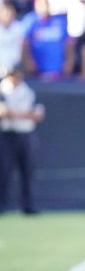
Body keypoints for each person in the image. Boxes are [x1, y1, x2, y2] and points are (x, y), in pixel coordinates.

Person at [0, 65, 45, 215]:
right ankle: (3, 205)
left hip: (26, 134)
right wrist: (26, 114)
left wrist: (14, 114)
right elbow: (2, 113)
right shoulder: (2, 90)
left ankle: (29, 205)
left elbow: (38, 115)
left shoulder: (28, 91)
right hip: (7, 135)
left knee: (28, 171)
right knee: (4, 171)